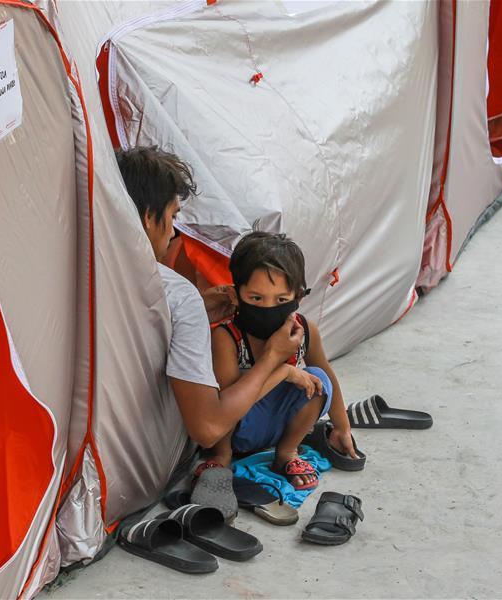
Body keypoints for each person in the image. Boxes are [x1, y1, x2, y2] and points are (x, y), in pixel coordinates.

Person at [114, 147, 304, 501]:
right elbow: (208, 427)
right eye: (172, 217)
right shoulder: (175, 294)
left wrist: (196, 314)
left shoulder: (72, 267)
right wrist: (274, 362)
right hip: (132, 475)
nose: (174, 234)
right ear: (148, 218)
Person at [201, 231, 359, 490]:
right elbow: (226, 405)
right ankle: (222, 456)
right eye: (256, 298)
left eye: (282, 300)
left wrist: (342, 428)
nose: (268, 308)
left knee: (319, 379)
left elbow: (328, 375)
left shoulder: (305, 330)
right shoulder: (227, 337)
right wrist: (285, 372)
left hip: (279, 426)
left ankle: (287, 452)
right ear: (235, 295)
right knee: (232, 398)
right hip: (236, 428)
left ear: (298, 297)